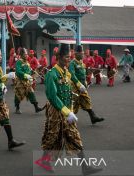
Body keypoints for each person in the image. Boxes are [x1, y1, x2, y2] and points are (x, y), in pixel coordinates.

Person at [41, 43, 102, 175]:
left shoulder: (66, 73)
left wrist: (72, 108)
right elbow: (52, 96)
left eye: (70, 57)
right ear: (59, 57)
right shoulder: (52, 74)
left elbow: (68, 93)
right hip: (56, 112)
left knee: (74, 136)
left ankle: (85, 167)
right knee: (53, 137)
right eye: (67, 57)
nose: (69, 59)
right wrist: (66, 111)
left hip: (67, 111)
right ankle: (44, 160)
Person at [69, 45, 104, 124]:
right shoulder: (72, 63)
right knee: (74, 102)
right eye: (80, 53)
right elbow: (72, 74)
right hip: (75, 86)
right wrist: (79, 84)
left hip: (82, 86)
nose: (82, 54)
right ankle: (67, 120)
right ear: (76, 54)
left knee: (86, 99)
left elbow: (84, 73)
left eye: (82, 53)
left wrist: (91, 73)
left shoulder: (82, 63)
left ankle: (93, 117)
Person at [14, 48, 44, 114]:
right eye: (25, 54)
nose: (27, 55)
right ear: (21, 55)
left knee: (31, 93)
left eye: (27, 54)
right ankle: (17, 108)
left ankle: (36, 107)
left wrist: (32, 72)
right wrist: (25, 75)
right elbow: (18, 71)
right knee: (18, 94)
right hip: (20, 82)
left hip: (27, 82)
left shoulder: (27, 62)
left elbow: (29, 70)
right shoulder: (19, 62)